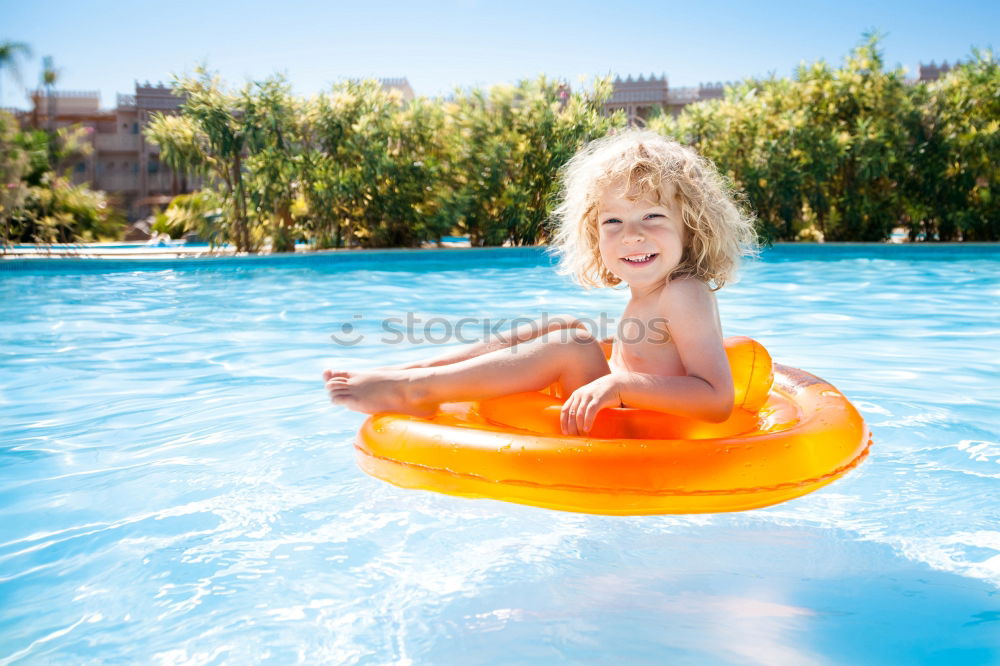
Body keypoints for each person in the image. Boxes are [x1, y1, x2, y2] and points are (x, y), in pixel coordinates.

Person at [324, 129, 757, 435]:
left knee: (573, 345)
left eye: (652, 217)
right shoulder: (656, 292)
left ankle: (418, 390)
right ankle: (415, 372)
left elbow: (717, 400)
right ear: (595, 234)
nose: (633, 235)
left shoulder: (684, 293)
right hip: (626, 410)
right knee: (567, 327)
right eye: (613, 221)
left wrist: (619, 383)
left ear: (693, 226)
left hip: (643, 434)